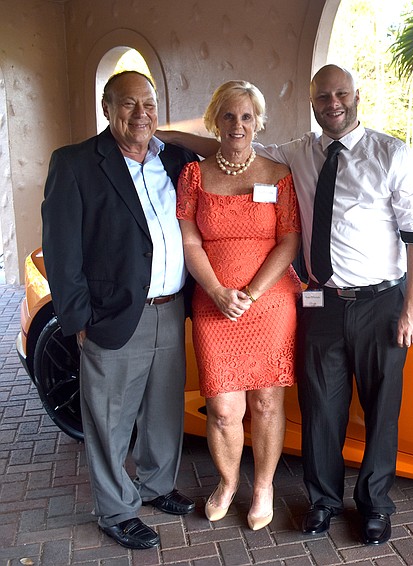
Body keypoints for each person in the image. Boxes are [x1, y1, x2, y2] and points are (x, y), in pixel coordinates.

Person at [160, 64, 413, 545]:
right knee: (321, 410)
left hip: (379, 303)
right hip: (319, 302)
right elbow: (230, 146)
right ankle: (324, 500)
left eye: (341, 93)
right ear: (312, 101)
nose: (333, 102)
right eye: (323, 95)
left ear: (355, 96)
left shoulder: (391, 153)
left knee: (380, 409)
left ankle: (374, 505)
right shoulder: (298, 154)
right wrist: (153, 128)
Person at [41, 70, 197, 550]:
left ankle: (156, 486)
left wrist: (161, 131)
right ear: (106, 108)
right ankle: (116, 510)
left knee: (164, 409)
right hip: (112, 314)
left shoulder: (174, 159)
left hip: (170, 308)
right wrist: (78, 320)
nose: (140, 113)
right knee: (109, 419)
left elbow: (224, 147)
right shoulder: (75, 163)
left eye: (148, 104)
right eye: (128, 104)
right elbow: (61, 249)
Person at [175, 80, 301, 531]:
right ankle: (228, 482)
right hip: (214, 305)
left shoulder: (277, 175)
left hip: (269, 304)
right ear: (215, 121)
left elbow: (288, 241)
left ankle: (263, 487)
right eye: (229, 115)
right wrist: (216, 290)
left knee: (267, 403)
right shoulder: (194, 175)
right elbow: (190, 239)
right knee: (225, 408)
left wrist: (251, 292)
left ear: (258, 122)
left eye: (247, 116)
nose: (238, 124)